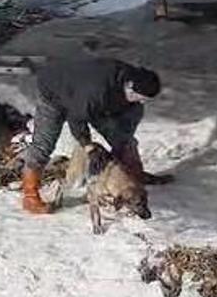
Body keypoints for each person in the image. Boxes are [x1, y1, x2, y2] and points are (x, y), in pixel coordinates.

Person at [21, 56, 166, 216]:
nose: (142, 102)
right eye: (140, 97)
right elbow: (76, 119)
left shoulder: (133, 84)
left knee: (124, 140)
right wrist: (89, 147)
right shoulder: (95, 91)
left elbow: (125, 126)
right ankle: (30, 196)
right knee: (43, 145)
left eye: (145, 100)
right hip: (54, 92)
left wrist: (120, 144)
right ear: (129, 87)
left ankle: (133, 178)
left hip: (91, 99)